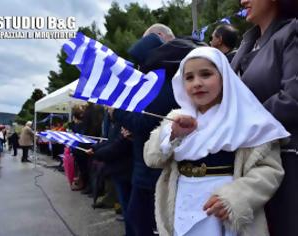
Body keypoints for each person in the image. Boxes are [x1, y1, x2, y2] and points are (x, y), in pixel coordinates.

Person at [143, 47, 290, 236]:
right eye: (189, 77)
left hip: (223, 213)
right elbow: (151, 158)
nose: (197, 83)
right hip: (183, 207)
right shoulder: (176, 118)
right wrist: (172, 135)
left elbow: (270, 171)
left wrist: (235, 198)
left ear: (223, 77)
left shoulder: (249, 119)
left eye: (206, 74)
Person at [113, 24, 206, 236]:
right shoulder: (173, 64)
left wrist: (116, 113)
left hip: (158, 170)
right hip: (153, 162)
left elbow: (147, 119)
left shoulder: (166, 70)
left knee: (146, 220)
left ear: (160, 37)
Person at [231, 1, 298, 235]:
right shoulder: (247, 42)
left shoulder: (292, 32)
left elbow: (293, 99)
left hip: (286, 164)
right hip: (247, 165)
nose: (242, 2)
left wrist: (240, 122)